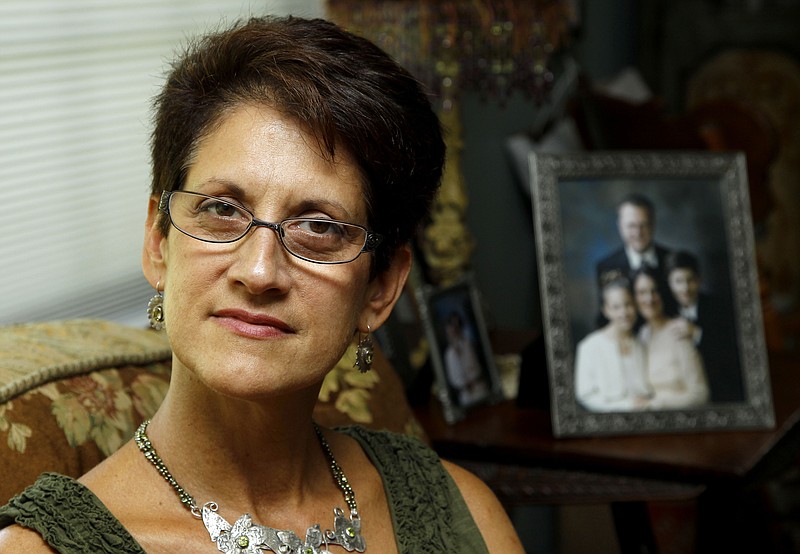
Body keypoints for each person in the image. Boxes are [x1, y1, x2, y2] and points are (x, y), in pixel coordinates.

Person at [0, 16, 523, 553]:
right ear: (159, 244)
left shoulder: (464, 514)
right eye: (222, 210)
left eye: (319, 227)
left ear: (380, 288)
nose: (258, 272)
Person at [665, 250, 744, 403]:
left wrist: (696, 333)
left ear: (699, 280)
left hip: (720, 386)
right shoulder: (666, 312)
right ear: (669, 283)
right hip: (684, 388)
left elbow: (730, 353)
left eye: (690, 280)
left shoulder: (719, 307)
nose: (685, 288)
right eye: (678, 281)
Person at [632, 266, 709, 409]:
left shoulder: (678, 331)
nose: (649, 299)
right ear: (634, 298)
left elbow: (700, 394)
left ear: (663, 293)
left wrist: (655, 404)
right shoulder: (643, 334)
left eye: (654, 291)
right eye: (642, 292)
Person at [575, 272, 653, 412]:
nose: (624, 313)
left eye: (628, 304)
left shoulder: (641, 343)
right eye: (616, 307)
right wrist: (626, 406)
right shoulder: (589, 346)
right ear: (606, 310)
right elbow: (585, 395)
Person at [595, 193, 674, 325]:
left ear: (653, 224)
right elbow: (605, 316)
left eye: (643, 225)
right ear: (620, 226)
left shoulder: (671, 259)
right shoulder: (606, 266)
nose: (638, 233)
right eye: (631, 226)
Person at [443, 311, 488, 407]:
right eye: (451, 327)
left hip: (478, 388)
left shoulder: (468, 344)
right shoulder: (449, 354)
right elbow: (453, 378)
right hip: (465, 395)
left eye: (456, 326)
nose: (453, 330)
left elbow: (474, 366)